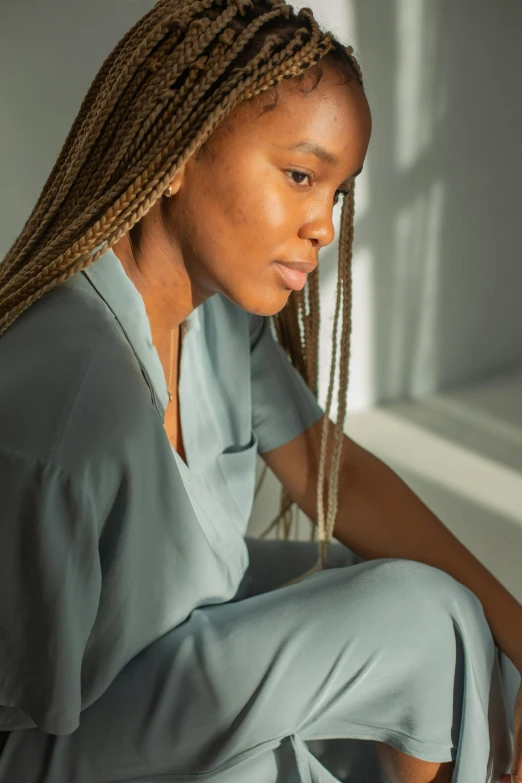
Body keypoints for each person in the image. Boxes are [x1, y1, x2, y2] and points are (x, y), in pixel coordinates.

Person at [0, 0, 517, 780]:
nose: (326, 227)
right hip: (55, 749)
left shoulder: (213, 317)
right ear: (177, 151)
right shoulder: (67, 404)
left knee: (458, 626)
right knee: (427, 618)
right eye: (302, 175)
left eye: (337, 192)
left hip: (169, 663)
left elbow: (320, 463)